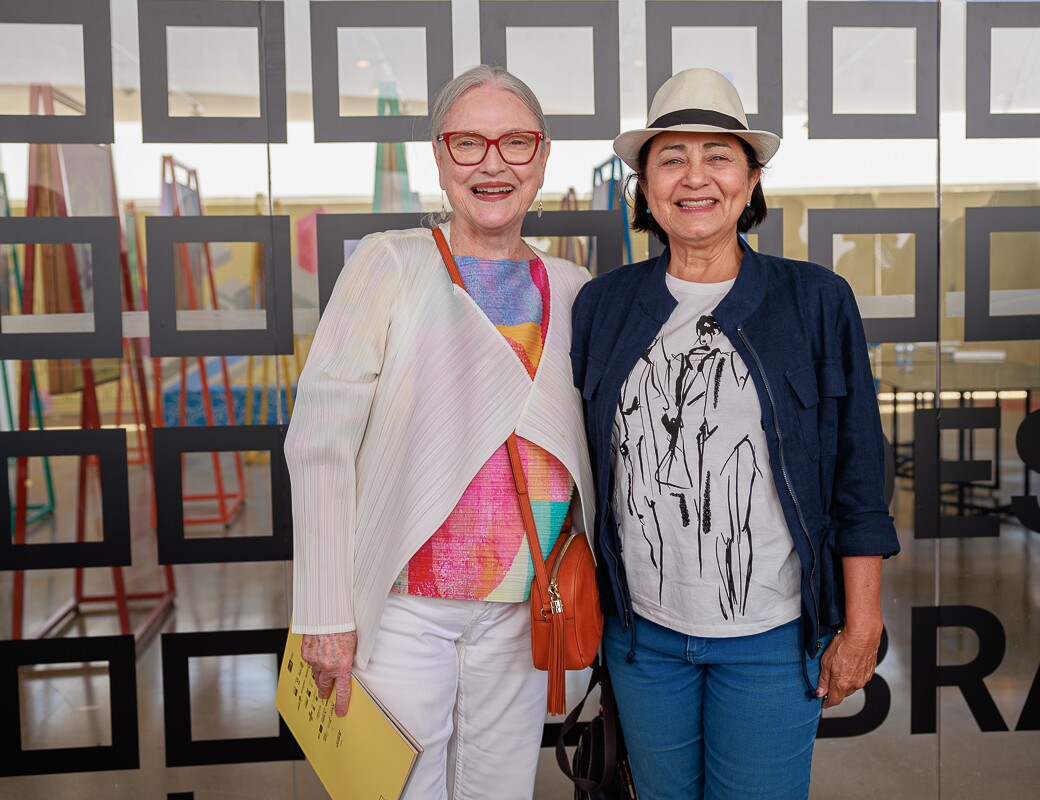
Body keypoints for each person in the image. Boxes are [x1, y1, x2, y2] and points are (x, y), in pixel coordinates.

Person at [570, 68, 899, 799]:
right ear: (645, 187)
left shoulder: (814, 300)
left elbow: (858, 473)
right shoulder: (603, 306)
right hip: (642, 639)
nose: (696, 177)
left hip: (771, 639)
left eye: (718, 156)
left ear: (750, 183)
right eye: (671, 158)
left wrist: (862, 620)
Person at [286, 65, 594, 800]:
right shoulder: (387, 263)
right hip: (402, 607)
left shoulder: (577, 287)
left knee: (500, 792)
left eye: (516, 142)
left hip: (527, 606)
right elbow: (320, 443)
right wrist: (325, 611)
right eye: (468, 142)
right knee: (397, 793)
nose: (493, 163)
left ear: (543, 157)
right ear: (438, 157)